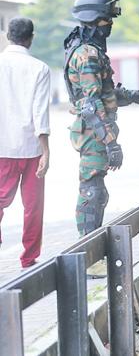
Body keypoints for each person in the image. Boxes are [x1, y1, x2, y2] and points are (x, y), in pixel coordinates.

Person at [63, 0, 139, 237]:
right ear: (94, 19)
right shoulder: (88, 55)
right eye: (107, 20)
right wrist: (111, 143)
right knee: (92, 190)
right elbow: (91, 105)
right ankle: (87, 252)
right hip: (94, 133)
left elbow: (103, 94)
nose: (110, 25)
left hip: (95, 131)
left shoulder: (89, 50)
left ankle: (90, 249)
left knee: (97, 190)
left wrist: (134, 96)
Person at [0, 17, 50, 268]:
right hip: (30, 148)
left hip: (2, 148)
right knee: (33, 206)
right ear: (31, 37)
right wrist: (46, 151)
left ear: (8, 36)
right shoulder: (39, 68)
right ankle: (29, 258)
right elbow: (40, 113)